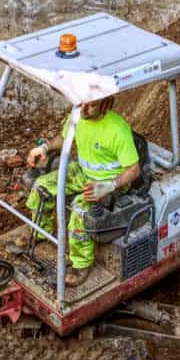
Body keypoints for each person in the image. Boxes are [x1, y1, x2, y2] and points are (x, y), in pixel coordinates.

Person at [16, 97, 141, 288]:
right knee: (42, 185)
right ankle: (40, 232)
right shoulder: (78, 115)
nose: (84, 110)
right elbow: (64, 138)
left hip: (110, 182)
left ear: (106, 104)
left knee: (80, 210)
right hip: (84, 172)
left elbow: (133, 170)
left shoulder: (117, 129)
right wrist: (44, 148)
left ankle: (82, 264)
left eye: (91, 105)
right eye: (82, 104)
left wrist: (110, 186)